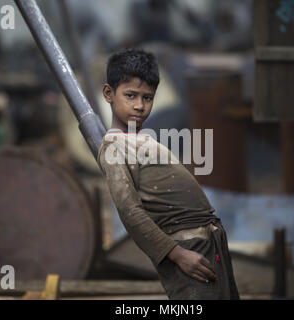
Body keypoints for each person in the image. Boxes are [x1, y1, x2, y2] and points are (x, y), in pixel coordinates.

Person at [97, 48, 240, 300]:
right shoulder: (114, 146)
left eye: (147, 98)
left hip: (208, 240)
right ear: (109, 93)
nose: (140, 106)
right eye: (130, 95)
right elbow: (130, 213)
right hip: (187, 247)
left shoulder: (139, 139)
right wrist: (177, 254)